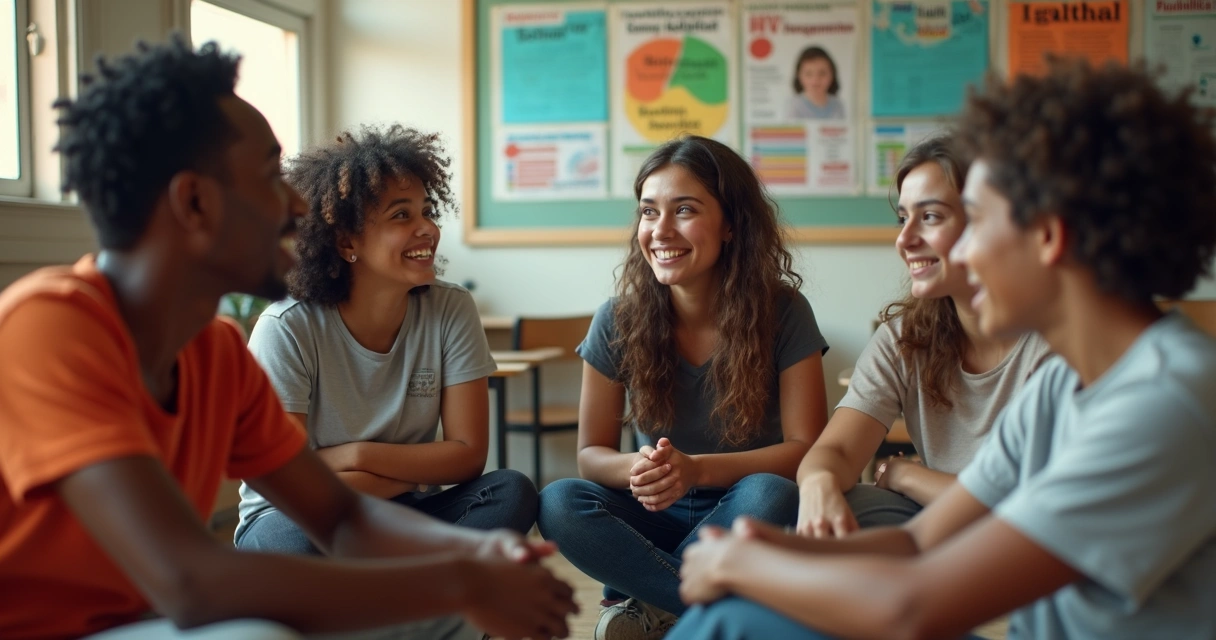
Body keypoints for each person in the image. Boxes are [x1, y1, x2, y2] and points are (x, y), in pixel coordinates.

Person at [0, 37, 576, 640]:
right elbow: (188, 583)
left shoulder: (218, 352)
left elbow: (342, 514)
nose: (300, 204)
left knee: (444, 617)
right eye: (270, 176)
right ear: (194, 203)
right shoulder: (51, 324)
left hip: (143, 623)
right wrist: (457, 583)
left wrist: (475, 563)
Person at [667, 58, 1216, 640]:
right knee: (740, 613)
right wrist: (767, 548)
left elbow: (912, 609)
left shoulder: (1166, 400)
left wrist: (742, 566)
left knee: (737, 616)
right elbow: (914, 542)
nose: (961, 251)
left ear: (1049, 235)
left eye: (973, 222)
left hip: (930, 609)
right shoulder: (1069, 384)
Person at [537, 135, 830, 639]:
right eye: (649, 212)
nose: (661, 230)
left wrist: (695, 469)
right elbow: (591, 455)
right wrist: (643, 468)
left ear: (732, 224)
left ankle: (645, 601)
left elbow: (808, 450)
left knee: (774, 492)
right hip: (651, 512)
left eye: (685, 210)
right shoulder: (617, 319)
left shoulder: (783, 312)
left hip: (741, 506)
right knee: (558, 501)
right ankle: (705, 605)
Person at [234, 124, 537, 555]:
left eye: (426, 211)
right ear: (345, 242)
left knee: (510, 491)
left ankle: (379, 603)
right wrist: (415, 471)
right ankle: (429, 602)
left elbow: (468, 456)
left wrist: (354, 454)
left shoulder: (450, 308)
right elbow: (289, 478)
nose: (427, 229)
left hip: (403, 508)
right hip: (298, 515)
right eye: (401, 215)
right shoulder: (287, 326)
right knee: (289, 546)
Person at [795, 135, 1050, 539]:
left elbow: (1023, 509)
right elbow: (837, 451)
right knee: (840, 507)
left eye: (930, 217)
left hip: (1025, 543)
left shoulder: (1054, 341)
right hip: (944, 525)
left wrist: (904, 474)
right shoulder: (905, 338)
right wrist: (817, 484)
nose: (904, 239)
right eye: (903, 218)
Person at [787, 46, 845, 120]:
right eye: (808, 74)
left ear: (832, 75)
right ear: (798, 76)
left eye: (822, 73)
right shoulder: (793, 106)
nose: (815, 79)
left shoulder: (838, 105)